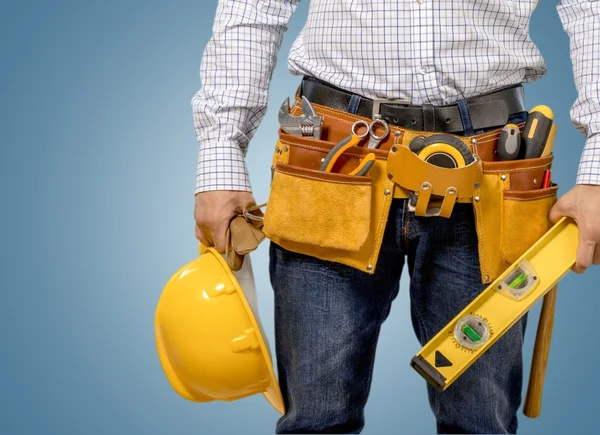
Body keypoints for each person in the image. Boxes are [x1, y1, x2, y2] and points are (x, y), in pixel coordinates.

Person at [191, 1, 600, 433]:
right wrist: (220, 153)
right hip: (333, 167)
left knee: (481, 424)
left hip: (491, 171)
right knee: (316, 422)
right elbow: (254, 8)